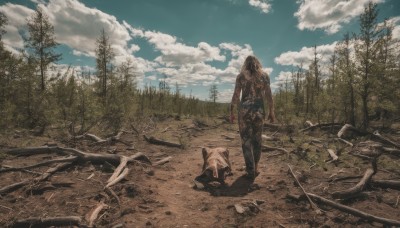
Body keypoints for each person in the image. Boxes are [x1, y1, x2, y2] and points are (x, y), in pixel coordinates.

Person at [230, 55, 276, 180]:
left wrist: (232, 112)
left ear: (245, 64)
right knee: (257, 140)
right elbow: (269, 96)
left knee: (246, 141)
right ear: (257, 63)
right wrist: (272, 112)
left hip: (244, 112)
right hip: (259, 111)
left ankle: (250, 170)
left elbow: (236, 95)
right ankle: (256, 167)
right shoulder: (264, 76)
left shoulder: (240, 77)